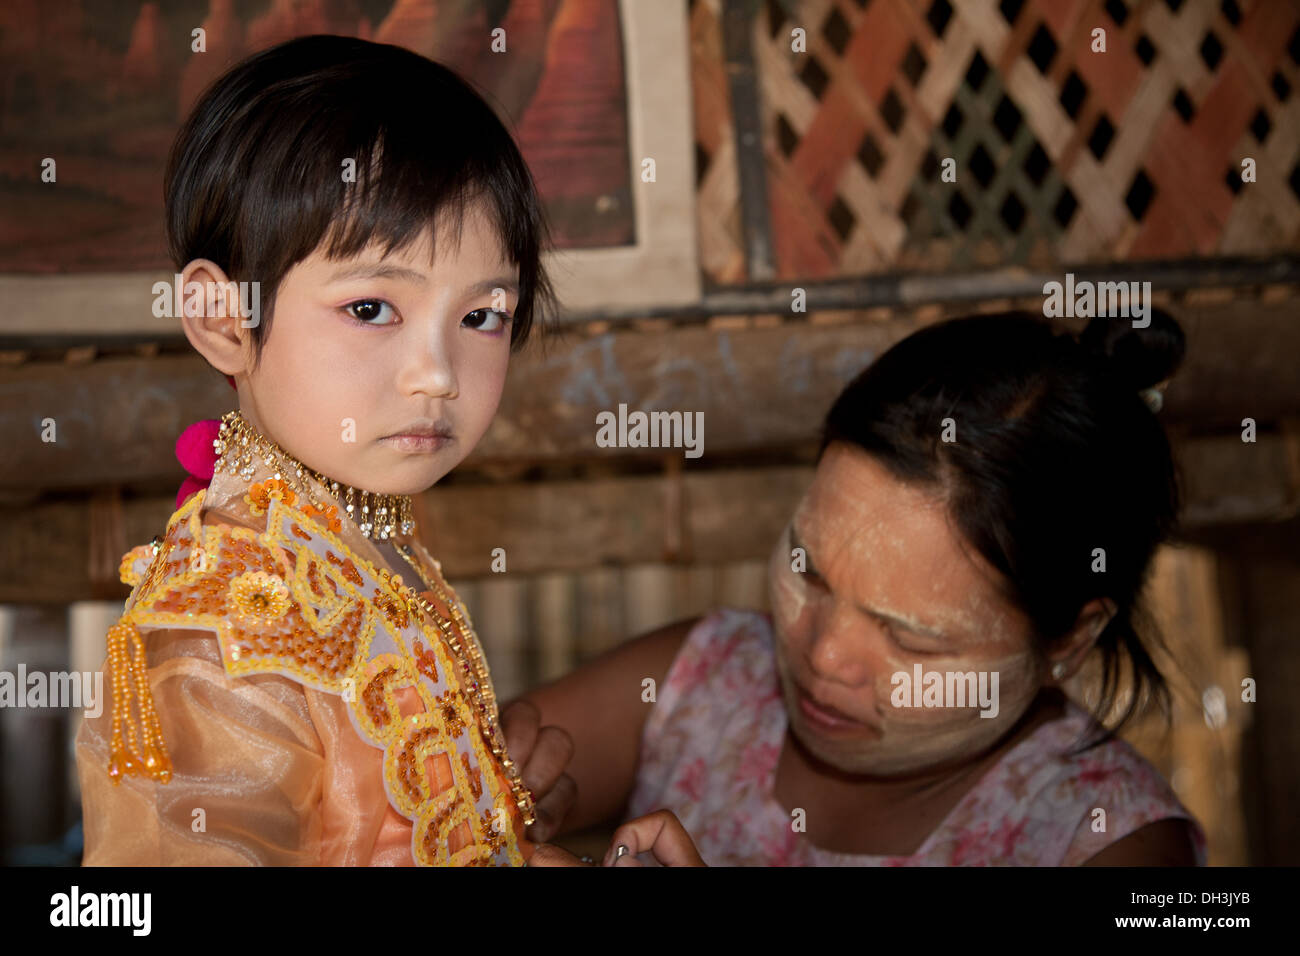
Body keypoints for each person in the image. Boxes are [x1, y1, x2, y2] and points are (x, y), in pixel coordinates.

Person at [74, 35, 574, 866]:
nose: (436, 375)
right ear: (224, 318)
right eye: (373, 308)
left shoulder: (363, 543)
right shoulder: (230, 626)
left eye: (481, 315)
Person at [516, 310, 1209, 866]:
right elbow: (432, 789)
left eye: (910, 639)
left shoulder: (1111, 845)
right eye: (808, 573)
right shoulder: (705, 682)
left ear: (1071, 639)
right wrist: (493, 808)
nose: (824, 656)